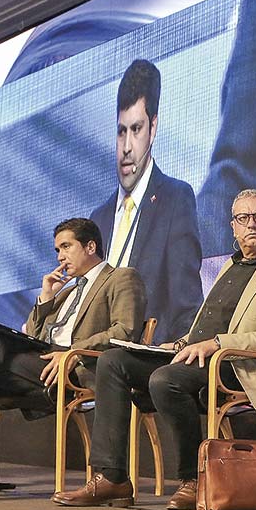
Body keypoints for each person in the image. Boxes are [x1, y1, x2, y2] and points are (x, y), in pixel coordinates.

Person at [53, 189, 256, 510]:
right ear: (233, 226)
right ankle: (113, 477)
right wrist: (178, 344)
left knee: (165, 380)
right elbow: (207, 326)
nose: (252, 225)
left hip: (240, 365)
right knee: (114, 360)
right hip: (199, 357)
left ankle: (193, 477)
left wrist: (217, 344)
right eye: (243, 218)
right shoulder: (230, 267)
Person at [0, 218, 146, 497]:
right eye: (57, 250)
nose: (60, 257)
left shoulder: (121, 277)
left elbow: (125, 330)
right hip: (44, 363)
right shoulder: (67, 290)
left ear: (90, 246)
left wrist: (71, 352)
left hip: (77, 366)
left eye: (66, 247)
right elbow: (34, 335)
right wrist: (46, 297)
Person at [89, 59, 203, 344]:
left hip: (139, 357)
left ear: (153, 129)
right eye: (121, 131)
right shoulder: (98, 219)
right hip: (88, 351)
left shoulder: (175, 199)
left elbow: (185, 305)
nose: (126, 147)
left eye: (136, 129)